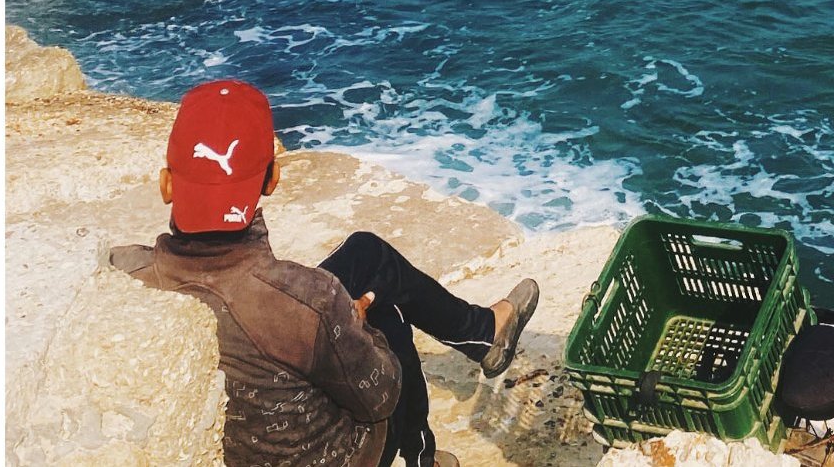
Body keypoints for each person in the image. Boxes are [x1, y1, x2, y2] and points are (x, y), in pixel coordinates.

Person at [112, 79, 541, 467]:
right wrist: (354, 326)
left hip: (241, 429)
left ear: (167, 184)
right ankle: (423, 455)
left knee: (365, 254)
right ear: (272, 179)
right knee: (385, 314)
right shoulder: (309, 300)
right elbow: (380, 398)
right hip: (332, 456)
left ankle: (483, 333)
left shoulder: (124, 273)